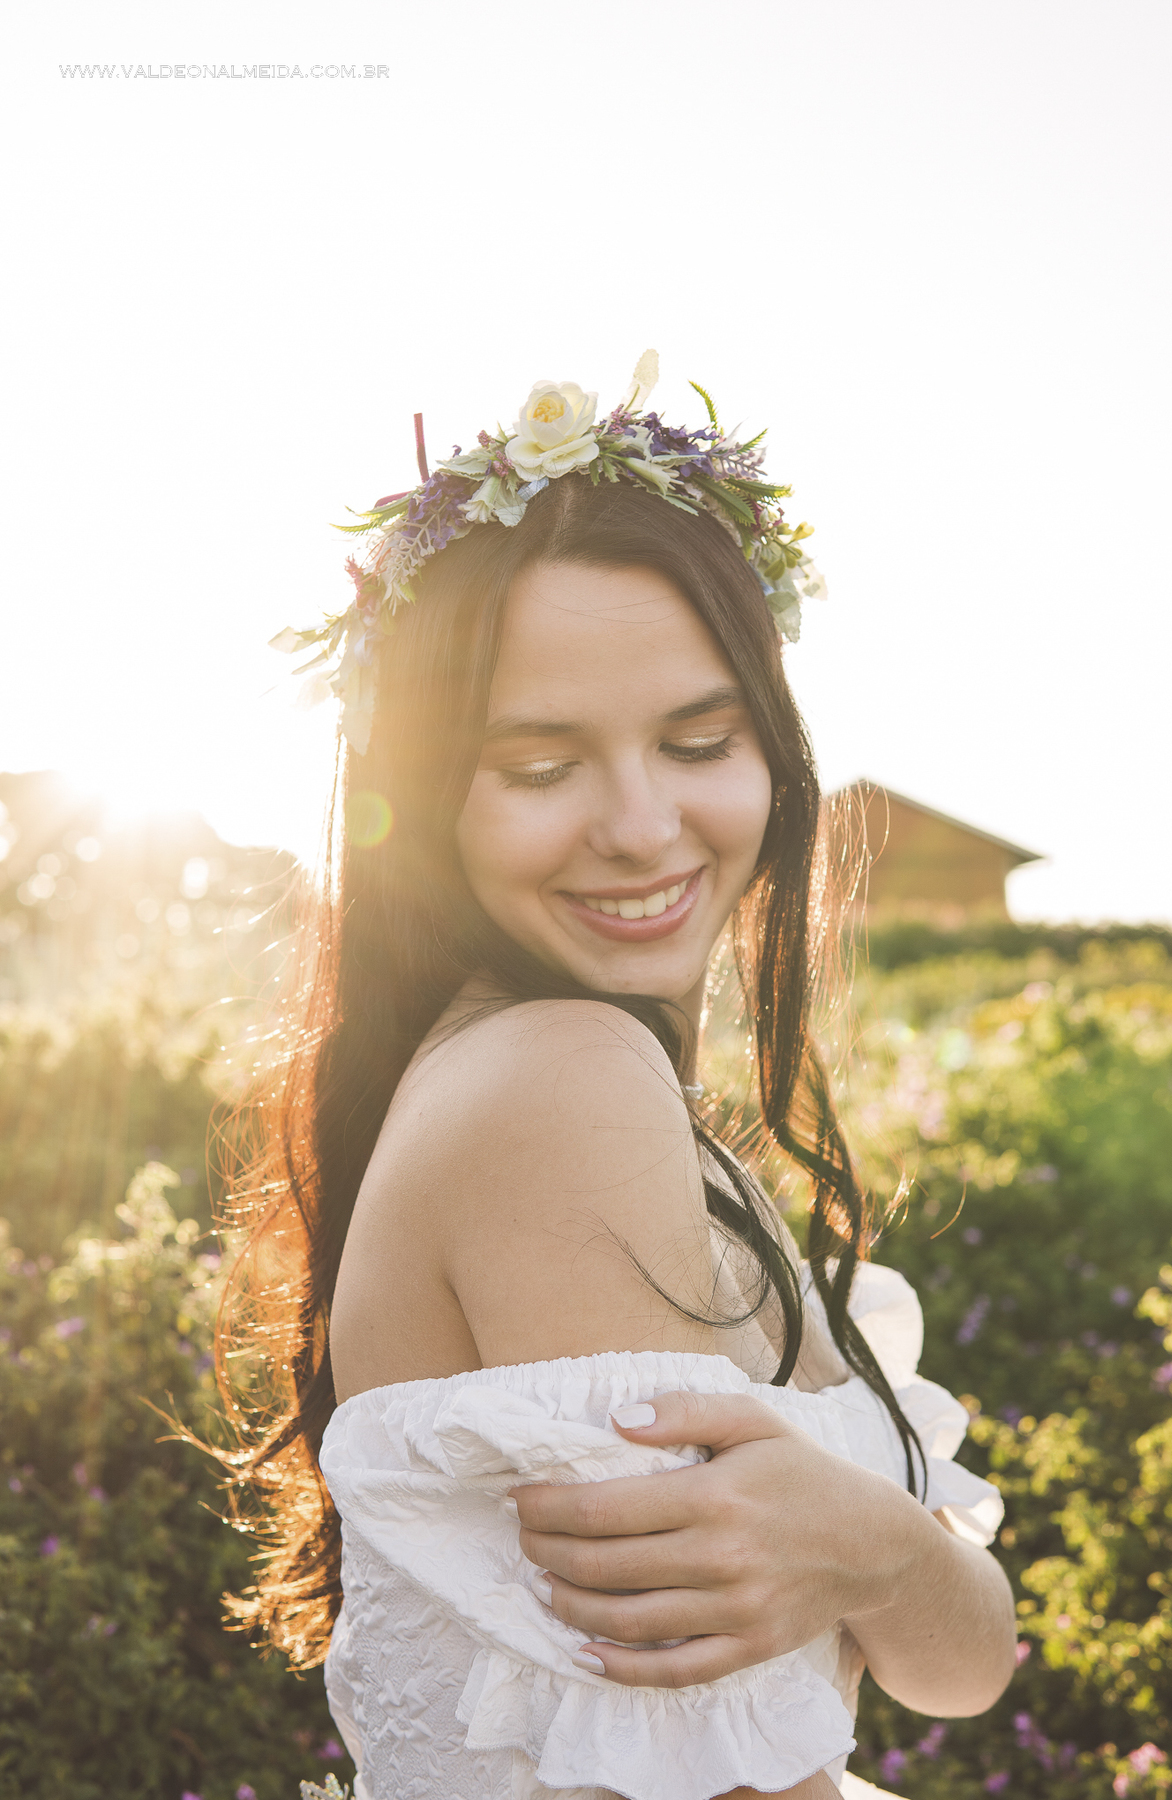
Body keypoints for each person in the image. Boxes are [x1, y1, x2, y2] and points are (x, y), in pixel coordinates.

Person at [226, 357, 1015, 1800]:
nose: (643, 827)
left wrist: (872, 1542)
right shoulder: (556, 1084)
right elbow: (718, 1759)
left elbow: (963, 1667)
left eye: (699, 741)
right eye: (540, 767)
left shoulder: (591, 1084)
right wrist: (873, 1563)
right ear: (423, 798)